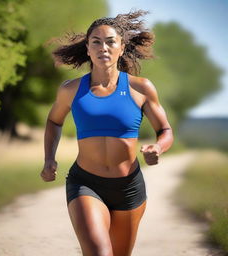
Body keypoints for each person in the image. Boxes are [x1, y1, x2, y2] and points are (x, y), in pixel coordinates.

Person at [41, 9, 173, 256]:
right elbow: (53, 121)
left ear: (121, 48)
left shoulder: (140, 88)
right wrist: (49, 158)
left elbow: (165, 130)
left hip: (128, 187)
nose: (104, 47)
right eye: (96, 42)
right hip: (85, 184)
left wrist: (158, 147)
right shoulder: (70, 90)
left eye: (111, 42)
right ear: (88, 49)